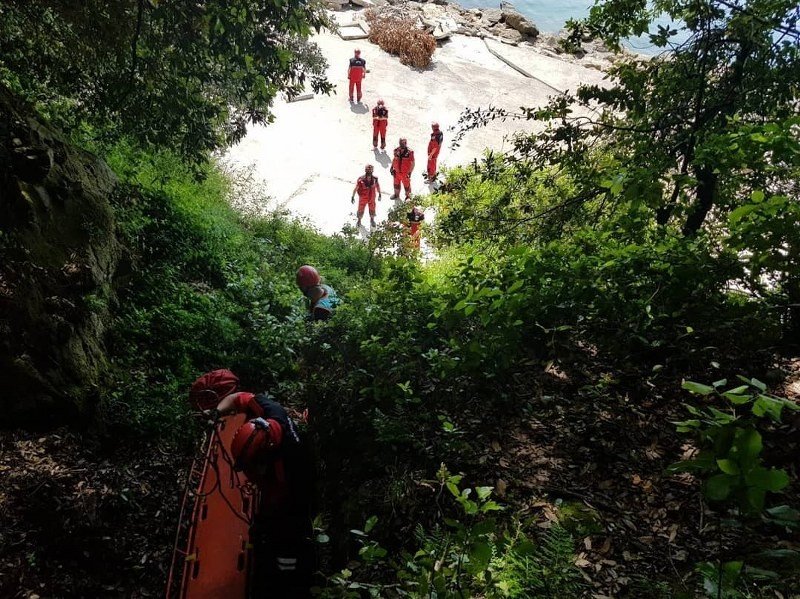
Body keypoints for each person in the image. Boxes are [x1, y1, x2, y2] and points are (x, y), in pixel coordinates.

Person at [216, 391, 312, 597]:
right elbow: (236, 398)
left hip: (296, 501)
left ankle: (288, 583)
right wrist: (215, 412)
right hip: (283, 487)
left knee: (286, 540)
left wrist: (262, 523)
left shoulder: (288, 470)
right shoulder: (271, 411)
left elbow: (275, 500)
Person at [351, 164, 381, 228]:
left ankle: (372, 220)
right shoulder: (361, 179)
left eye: (370, 170)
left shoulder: (375, 179)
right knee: (360, 209)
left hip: (372, 198)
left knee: (372, 208)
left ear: (372, 171)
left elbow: (377, 187)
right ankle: (359, 220)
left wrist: (380, 194)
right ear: (365, 171)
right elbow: (356, 188)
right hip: (363, 198)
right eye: (368, 170)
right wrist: (352, 196)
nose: (369, 172)